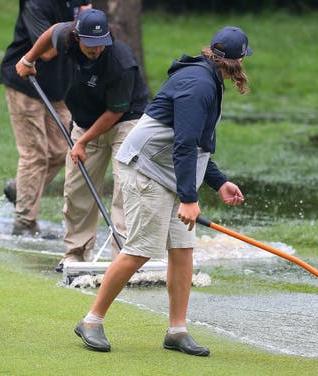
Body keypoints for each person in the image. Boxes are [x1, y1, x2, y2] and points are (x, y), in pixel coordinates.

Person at [72, 26, 252, 356]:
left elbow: (194, 145)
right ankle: (91, 321)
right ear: (238, 60)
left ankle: (177, 331)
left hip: (167, 168)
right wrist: (189, 198)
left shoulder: (206, 77)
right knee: (141, 249)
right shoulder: (198, 85)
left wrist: (218, 181)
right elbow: (183, 144)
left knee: (182, 250)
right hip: (146, 170)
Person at [15, 9, 150, 267]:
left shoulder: (120, 62)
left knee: (127, 190)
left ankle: (125, 260)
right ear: (77, 36)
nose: (97, 50)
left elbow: (115, 111)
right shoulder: (66, 35)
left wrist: (82, 142)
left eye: (101, 44)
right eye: (91, 45)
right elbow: (50, 33)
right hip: (85, 120)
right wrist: (29, 59)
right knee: (77, 190)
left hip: (127, 121)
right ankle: (76, 255)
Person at [0, 0, 92, 237]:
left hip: (59, 87)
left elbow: (90, 24)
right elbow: (48, 50)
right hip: (25, 81)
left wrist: (85, 22)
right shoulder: (36, 4)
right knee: (35, 154)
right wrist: (81, 24)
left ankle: (20, 189)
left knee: (64, 150)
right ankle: (24, 224)